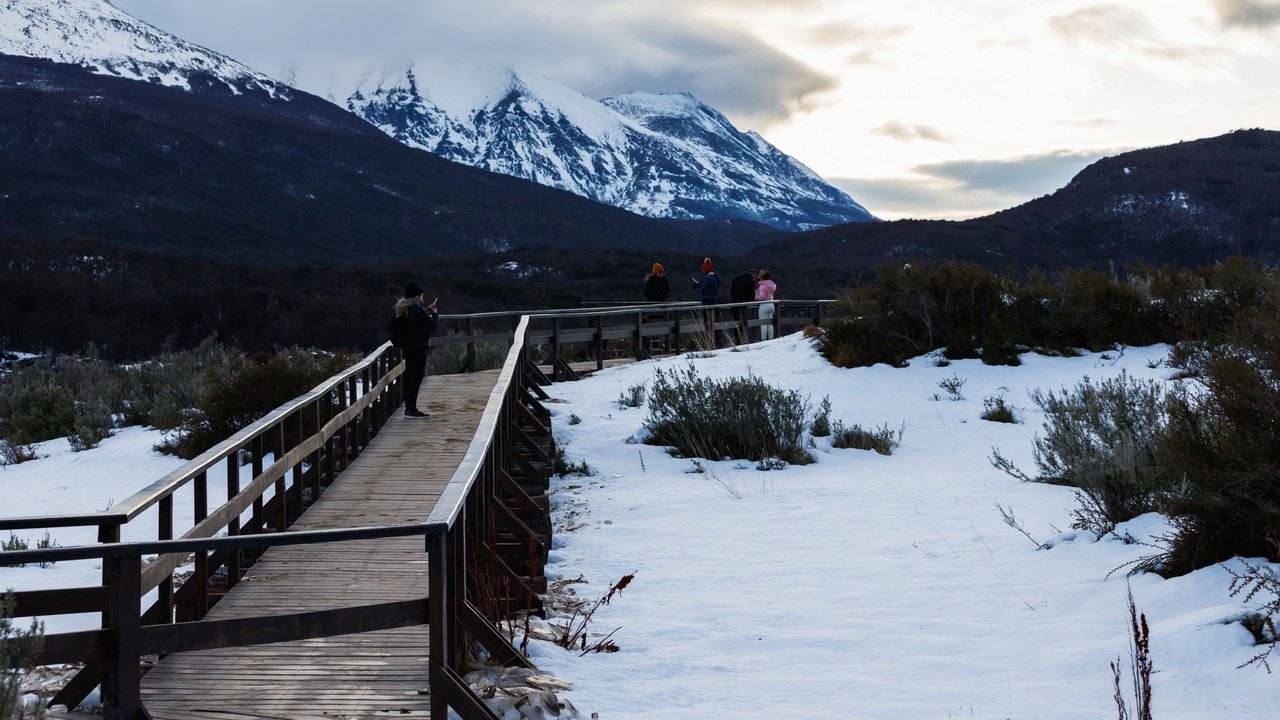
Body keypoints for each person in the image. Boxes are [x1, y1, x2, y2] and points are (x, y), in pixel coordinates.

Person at [393, 282, 438, 418]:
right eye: (421, 295)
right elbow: (431, 325)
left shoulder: (403, 308)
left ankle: (408, 408)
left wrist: (425, 311)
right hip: (418, 348)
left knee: (409, 377)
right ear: (417, 296)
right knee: (416, 378)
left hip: (408, 348)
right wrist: (435, 314)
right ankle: (412, 409)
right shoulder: (416, 309)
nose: (422, 297)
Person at [729, 267, 756, 338]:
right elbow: (752, 294)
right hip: (743, 304)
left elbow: (731, 290)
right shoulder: (751, 281)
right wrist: (752, 305)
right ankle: (742, 338)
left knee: (736, 322)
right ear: (753, 275)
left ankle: (736, 338)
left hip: (734, 303)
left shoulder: (736, 279)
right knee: (743, 322)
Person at [755, 269, 778, 341]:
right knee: (769, 323)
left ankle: (763, 340)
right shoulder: (771, 285)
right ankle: (771, 339)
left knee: (763, 323)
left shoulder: (763, 286)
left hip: (764, 305)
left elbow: (762, 297)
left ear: (762, 277)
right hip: (771, 304)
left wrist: (755, 295)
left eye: (759, 274)